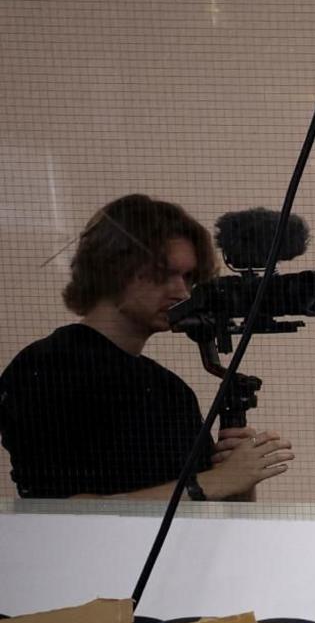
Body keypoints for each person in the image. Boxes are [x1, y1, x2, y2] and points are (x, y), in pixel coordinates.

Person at [0, 194, 292, 501]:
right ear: (113, 268)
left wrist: (237, 480)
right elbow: (57, 511)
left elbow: (204, 504)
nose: (181, 291)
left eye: (189, 277)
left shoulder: (170, 390)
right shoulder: (47, 367)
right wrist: (213, 482)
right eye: (164, 274)